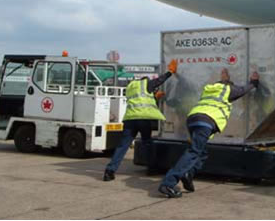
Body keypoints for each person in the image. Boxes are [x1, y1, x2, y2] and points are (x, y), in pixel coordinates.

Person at [158, 68, 260, 198]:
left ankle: (188, 174)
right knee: (193, 152)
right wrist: (254, 83)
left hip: (193, 119)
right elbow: (243, 90)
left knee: (202, 152)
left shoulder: (209, 90)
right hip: (206, 121)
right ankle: (168, 183)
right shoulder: (227, 90)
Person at [103, 59, 178, 181]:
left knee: (123, 146)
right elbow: (159, 80)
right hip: (143, 119)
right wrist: (170, 72)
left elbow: (140, 98)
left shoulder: (131, 87)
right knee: (147, 143)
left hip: (129, 119)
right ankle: (151, 168)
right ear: (145, 80)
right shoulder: (146, 84)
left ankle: (109, 171)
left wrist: (154, 96)